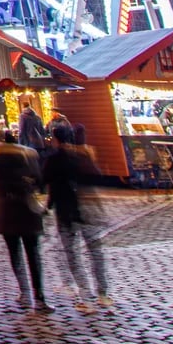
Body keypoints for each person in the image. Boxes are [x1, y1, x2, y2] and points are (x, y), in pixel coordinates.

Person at [41, 125, 111, 310]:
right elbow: (97, 175)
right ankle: (103, 293)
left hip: (67, 211)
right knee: (95, 253)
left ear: (55, 139)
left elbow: (46, 181)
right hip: (88, 209)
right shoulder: (82, 155)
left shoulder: (54, 159)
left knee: (73, 255)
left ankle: (86, 297)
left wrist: (48, 205)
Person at [0, 127, 48, 311]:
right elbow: (39, 180)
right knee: (33, 253)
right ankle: (39, 295)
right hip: (28, 208)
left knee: (15, 252)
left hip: (7, 209)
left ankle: (24, 292)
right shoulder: (28, 155)